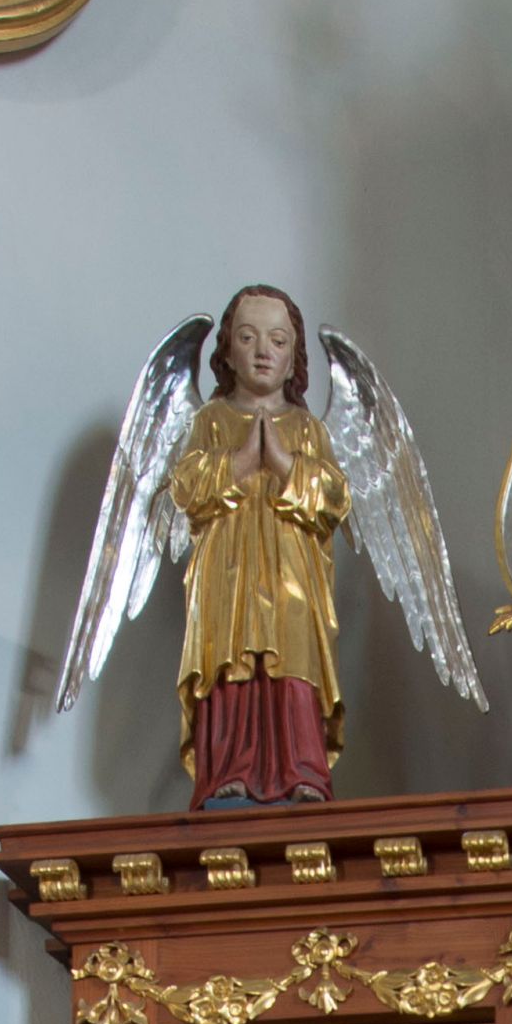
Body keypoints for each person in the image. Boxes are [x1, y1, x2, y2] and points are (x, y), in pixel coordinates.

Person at [165, 285, 353, 805]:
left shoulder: (307, 428)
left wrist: (286, 464)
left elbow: (335, 498)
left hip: (294, 574)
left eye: (277, 340)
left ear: (294, 357)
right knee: (230, 658)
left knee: (293, 655)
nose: (263, 351)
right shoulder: (210, 421)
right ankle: (228, 768)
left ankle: (302, 769)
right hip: (227, 574)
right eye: (248, 338)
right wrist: (243, 460)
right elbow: (186, 487)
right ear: (227, 352)